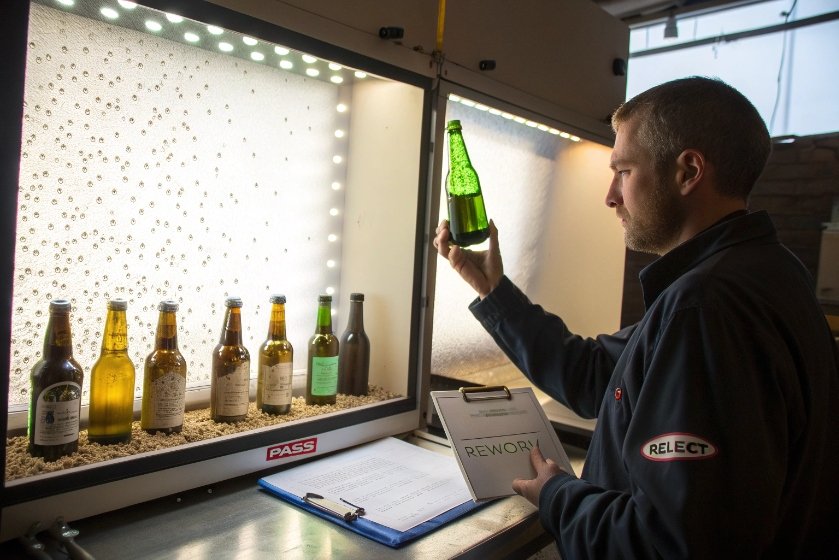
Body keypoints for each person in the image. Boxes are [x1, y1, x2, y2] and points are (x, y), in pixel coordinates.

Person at [433, 76, 839, 558]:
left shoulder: (707, 306)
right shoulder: (764, 270)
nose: (610, 196)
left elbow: (670, 543)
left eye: (623, 171)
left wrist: (558, 497)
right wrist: (492, 291)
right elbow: (597, 376)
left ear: (688, 171)